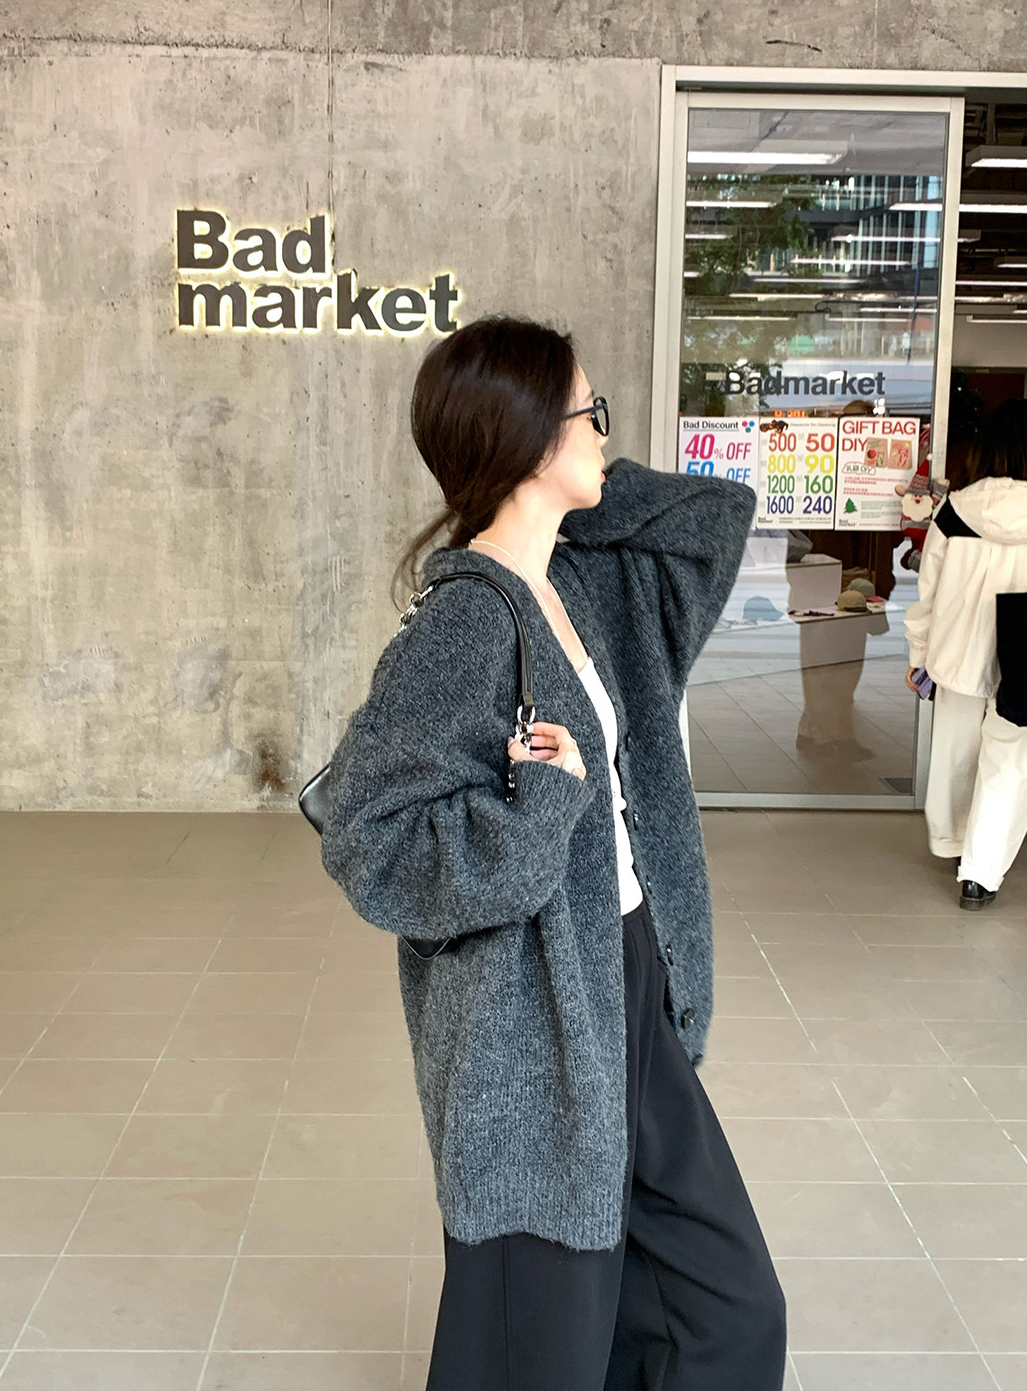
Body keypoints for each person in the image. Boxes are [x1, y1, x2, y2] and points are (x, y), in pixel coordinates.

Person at [320, 316, 785, 1389]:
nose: (607, 432)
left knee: (725, 1306)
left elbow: (712, 518)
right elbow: (369, 839)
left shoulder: (576, 584)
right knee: (541, 1340)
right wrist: (536, 811)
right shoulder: (465, 625)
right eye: (590, 411)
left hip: (626, 974)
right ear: (531, 436)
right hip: (529, 1021)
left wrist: (557, 487)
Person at [904, 398, 1027, 909]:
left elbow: (928, 593)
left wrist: (918, 655)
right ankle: (978, 873)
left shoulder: (954, 511)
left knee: (956, 752)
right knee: (1011, 760)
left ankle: (952, 840)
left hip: (958, 652)